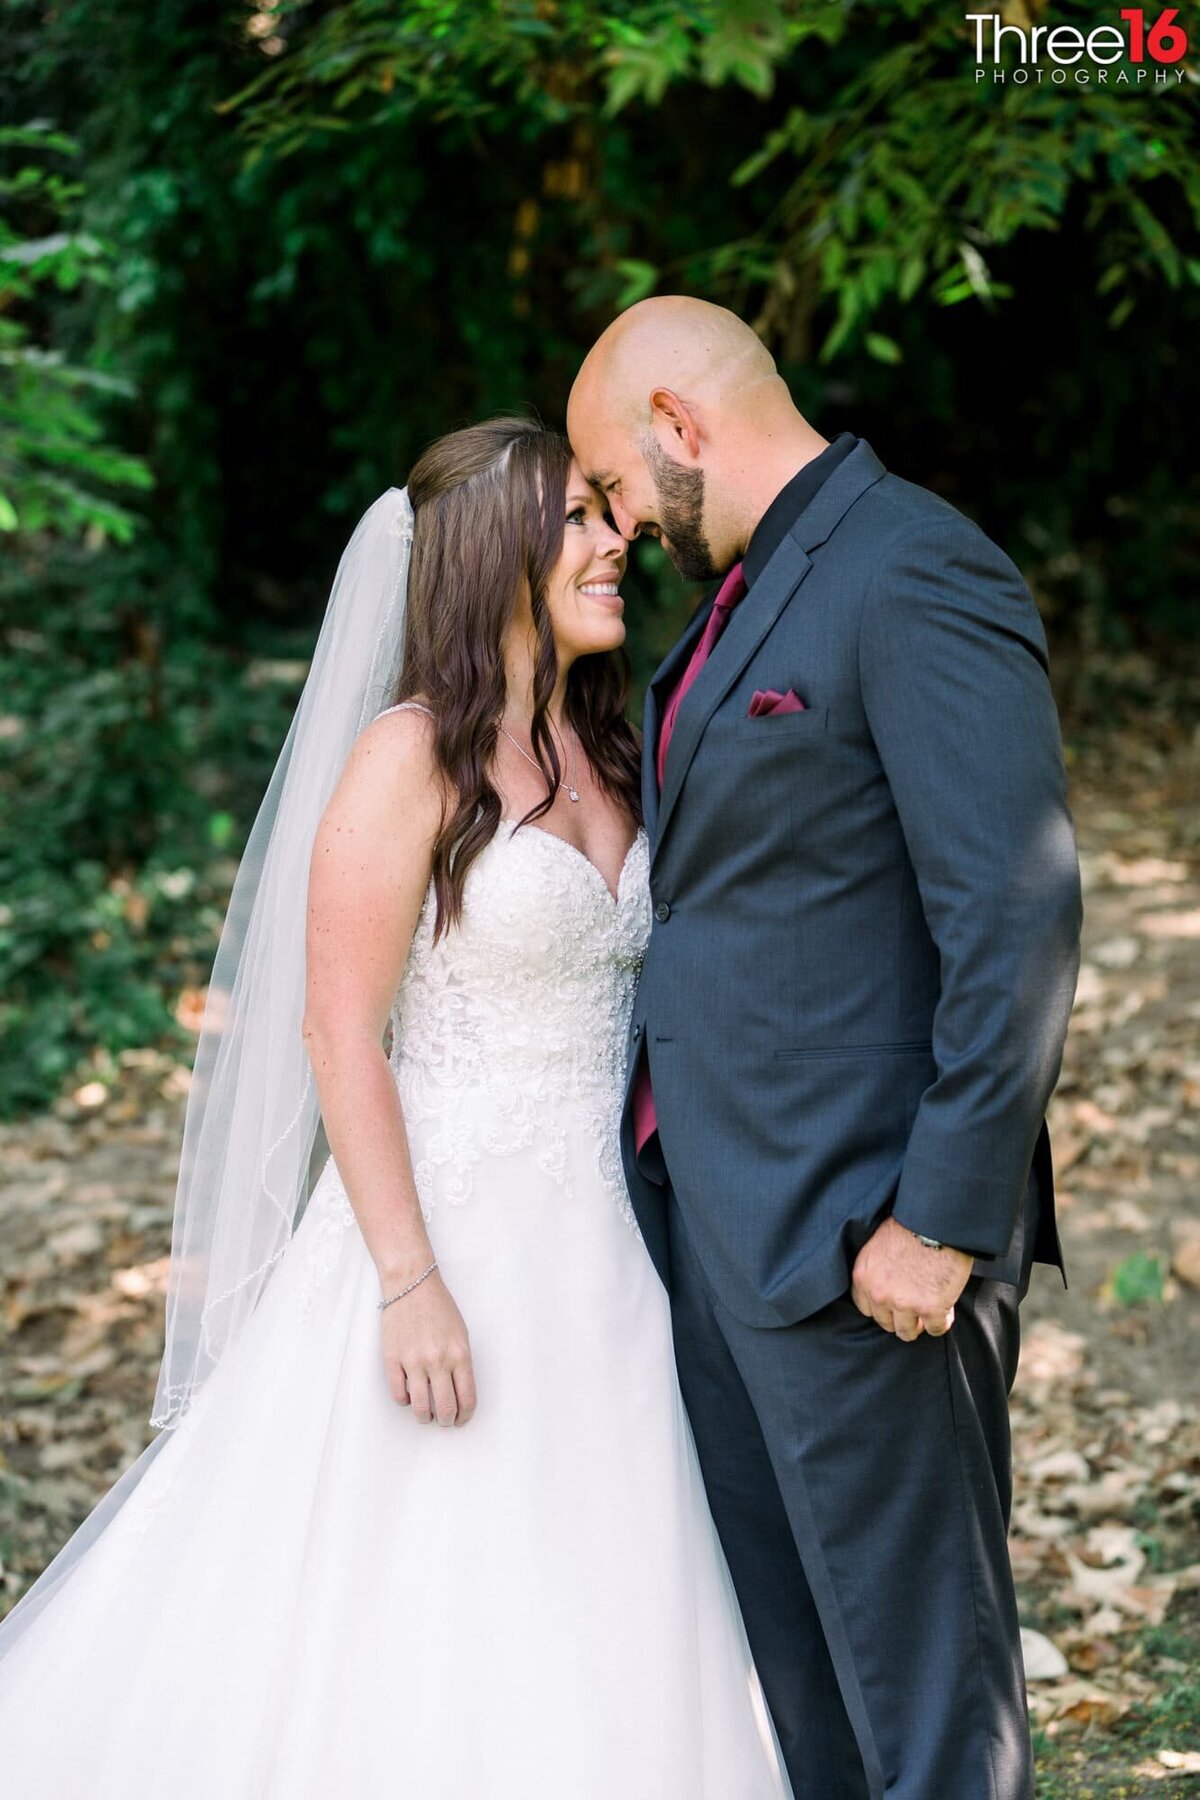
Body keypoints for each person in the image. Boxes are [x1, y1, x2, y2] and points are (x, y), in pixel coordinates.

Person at [0, 418, 792, 1800]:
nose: (618, 544)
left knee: (607, 1560)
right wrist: (409, 1279)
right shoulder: (409, 758)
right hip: (445, 1230)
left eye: (611, 519)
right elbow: (337, 1032)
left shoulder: (614, 740)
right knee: (425, 1575)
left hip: (613, 1243)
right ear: (496, 554)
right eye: (582, 521)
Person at [567, 297, 1083, 1800]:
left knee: (923, 1694)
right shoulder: (741, 599)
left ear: (678, 424)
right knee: (800, 1686)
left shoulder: (914, 567)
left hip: (872, 1240)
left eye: (609, 483)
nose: (612, 523)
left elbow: (1016, 913)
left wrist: (941, 1214)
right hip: (725, 1231)